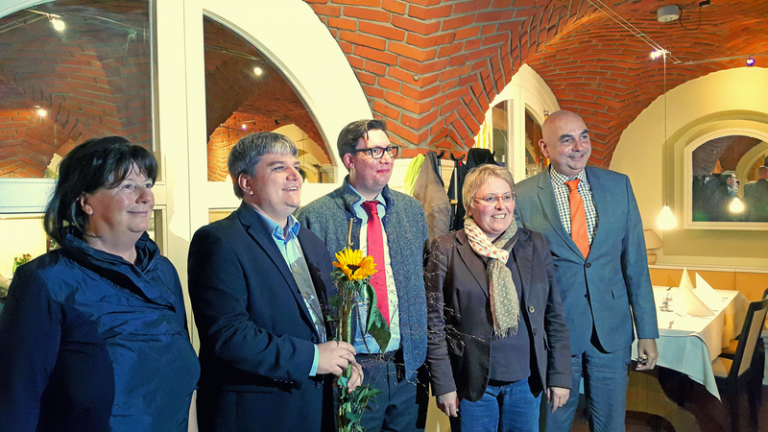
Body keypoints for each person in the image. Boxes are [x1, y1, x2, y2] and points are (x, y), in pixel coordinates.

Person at [0, 136, 199, 432]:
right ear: (85, 201)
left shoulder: (163, 271)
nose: (145, 197)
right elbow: (17, 404)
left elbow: (184, 387)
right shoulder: (45, 281)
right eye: (128, 186)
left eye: (148, 184)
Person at [188, 132, 362, 432]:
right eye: (279, 167)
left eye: (296, 166)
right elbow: (228, 337)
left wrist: (344, 361)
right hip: (259, 414)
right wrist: (314, 357)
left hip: (316, 409)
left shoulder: (309, 240)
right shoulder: (218, 241)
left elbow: (323, 322)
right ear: (246, 183)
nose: (295, 174)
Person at [514, 110, 659, 432]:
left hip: (612, 332)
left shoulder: (618, 186)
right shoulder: (522, 196)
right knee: (552, 424)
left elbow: (635, 263)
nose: (579, 146)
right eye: (567, 140)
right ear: (544, 147)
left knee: (610, 425)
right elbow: (522, 277)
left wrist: (647, 330)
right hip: (556, 334)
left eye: (584, 136)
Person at [297, 119, 429, 432]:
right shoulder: (316, 216)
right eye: (375, 151)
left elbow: (426, 282)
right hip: (352, 366)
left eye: (390, 150)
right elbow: (308, 298)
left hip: (406, 365)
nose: (387, 158)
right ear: (349, 159)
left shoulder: (411, 211)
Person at [425, 164, 572, 432]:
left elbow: (554, 316)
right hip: (471, 386)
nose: (500, 205)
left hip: (526, 385)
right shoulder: (445, 249)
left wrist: (560, 375)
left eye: (507, 197)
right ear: (469, 206)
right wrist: (444, 385)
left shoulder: (535, 244)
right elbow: (433, 325)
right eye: (490, 198)